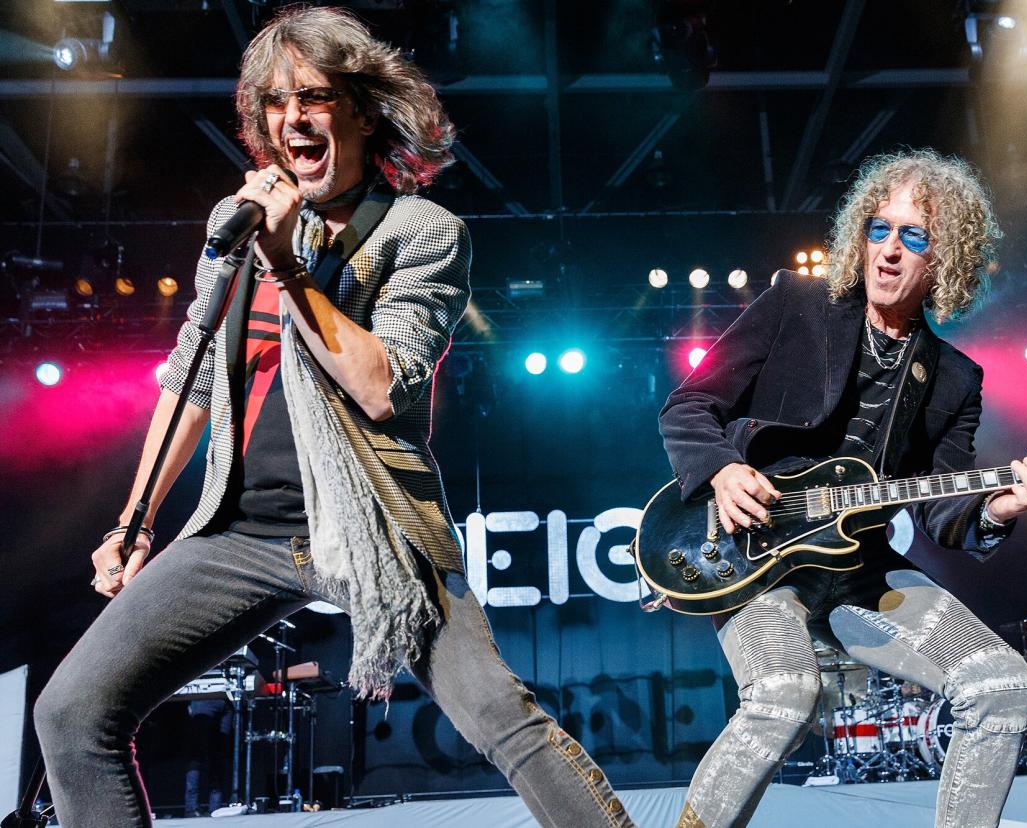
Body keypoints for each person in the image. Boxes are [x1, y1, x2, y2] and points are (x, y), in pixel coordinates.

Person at [32, 8, 633, 827]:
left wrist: (286, 261)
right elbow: (193, 380)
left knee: (500, 717)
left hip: (371, 527)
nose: (292, 119)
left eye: (312, 96)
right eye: (274, 103)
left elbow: (383, 384)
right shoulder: (237, 226)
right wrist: (134, 521)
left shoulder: (422, 232)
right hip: (238, 531)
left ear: (360, 108)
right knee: (70, 714)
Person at [659, 149, 1027, 828]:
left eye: (914, 236)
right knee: (785, 694)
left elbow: (942, 504)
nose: (890, 251)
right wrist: (723, 469)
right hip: (759, 556)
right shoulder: (798, 304)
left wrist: (997, 508)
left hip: (860, 573)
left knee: (999, 682)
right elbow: (689, 408)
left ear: (947, 259)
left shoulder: (955, 379)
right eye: (880, 229)